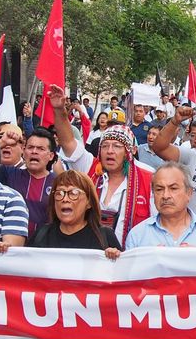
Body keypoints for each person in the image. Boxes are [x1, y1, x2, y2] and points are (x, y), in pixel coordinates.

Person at [50, 86, 155, 248]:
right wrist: (59, 110)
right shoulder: (90, 167)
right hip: (89, 256)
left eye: (117, 146)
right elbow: (68, 142)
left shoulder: (148, 177)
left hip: (130, 261)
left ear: (128, 152)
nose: (110, 151)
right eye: (105, 146)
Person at [124, 163, 196, 249]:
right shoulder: (137, 235)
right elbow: (129, 273)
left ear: (189, 193)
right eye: (159, 189)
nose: (165, 196)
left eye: (173, 188)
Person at [0, 129, 57, 236]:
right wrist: (2, 142)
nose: (34, 151)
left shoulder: (58, 183)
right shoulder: (9, 174)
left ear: (51, 156)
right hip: (9, 245)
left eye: (40, 149)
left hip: (43, 248)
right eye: (30, 147)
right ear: (23, 152)